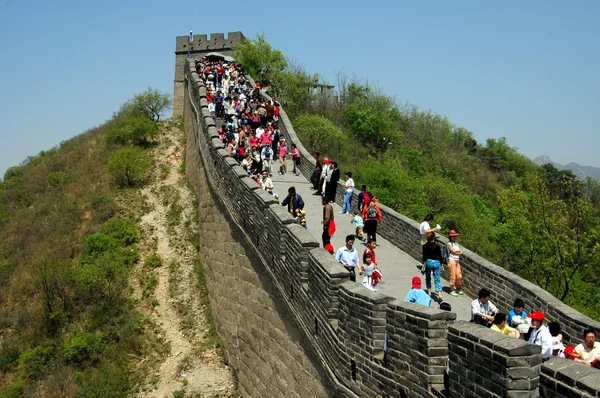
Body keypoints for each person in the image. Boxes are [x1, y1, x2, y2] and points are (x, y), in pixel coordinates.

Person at [423, 232, 444, 301]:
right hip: (436, 263)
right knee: (437, 279)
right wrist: (442, 264)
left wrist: (425, 263)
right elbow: (440, 256)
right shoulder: (437, 246)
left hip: (428, 262)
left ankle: (429, 293)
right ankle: (439, 294)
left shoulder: (425, 246)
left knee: (428, 277)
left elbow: (424, 256)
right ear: (434, 237)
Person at [447, 230, 464, 296]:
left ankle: (458, 288)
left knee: (459, 276)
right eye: (453, 236)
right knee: (453, 275)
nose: (454, 237)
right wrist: (458, 252)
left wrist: (458, 252)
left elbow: (460, 251)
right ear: (450, 237)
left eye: (455, 236)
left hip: (457, 261)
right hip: (452, 260)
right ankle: (452, 289)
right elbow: (453, 251)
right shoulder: (449, 243)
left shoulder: (456, 244)